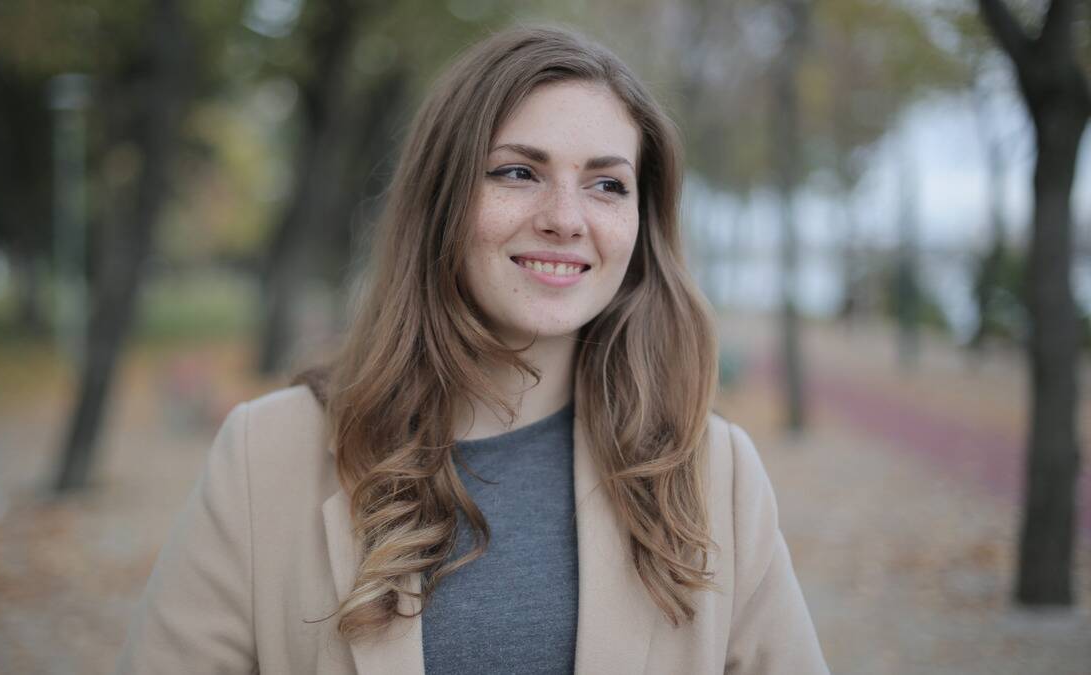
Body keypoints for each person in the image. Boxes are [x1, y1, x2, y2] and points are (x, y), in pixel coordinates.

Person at [117, 25, 829, 675]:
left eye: (607, 184)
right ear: (441, 199)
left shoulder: (716, 475)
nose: (565, 219)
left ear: (641, 225)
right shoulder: (264, 456)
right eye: (518, 172)